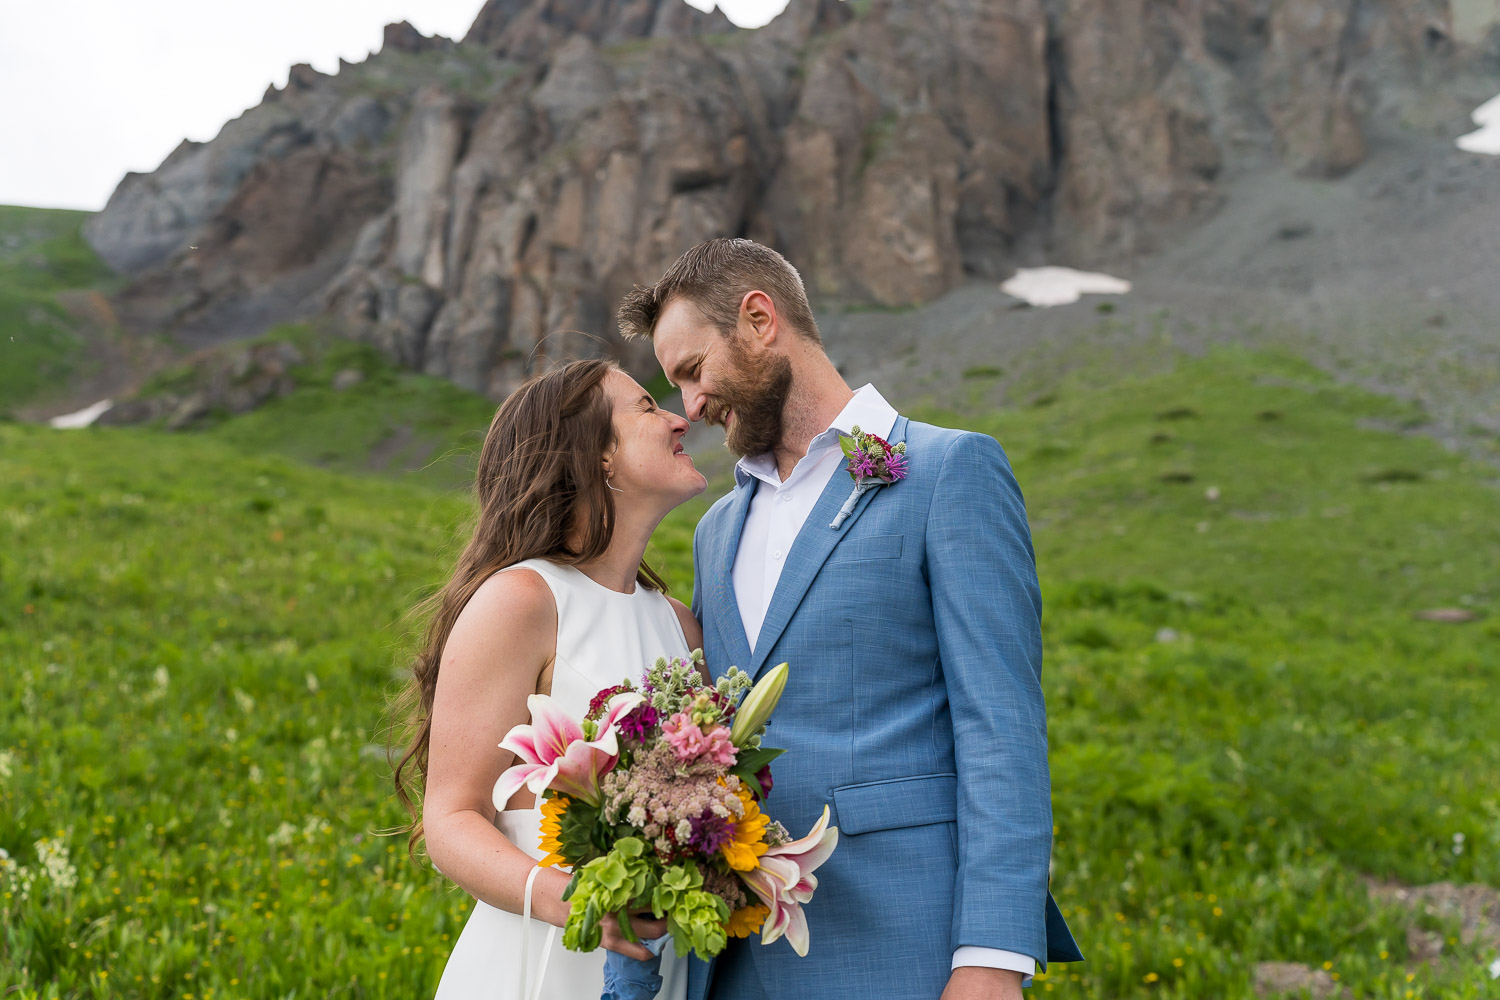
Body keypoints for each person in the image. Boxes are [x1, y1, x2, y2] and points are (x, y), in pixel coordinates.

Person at [618, 238, 1083, 1000]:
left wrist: (993, 958)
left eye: (694, 371)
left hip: (903, 946)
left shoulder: (949, 472)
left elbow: (1000, 727)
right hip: (733, 961)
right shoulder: (714, 531)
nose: (691, 406)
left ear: (760, 319)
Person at [390, 359, 709, 999]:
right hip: (546, 959)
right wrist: (580, 904)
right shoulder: (523, 600)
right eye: (648, 408)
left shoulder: (680, 625)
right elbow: (452, 818)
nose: (679, 419)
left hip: (665, 967)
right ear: (597, 456)